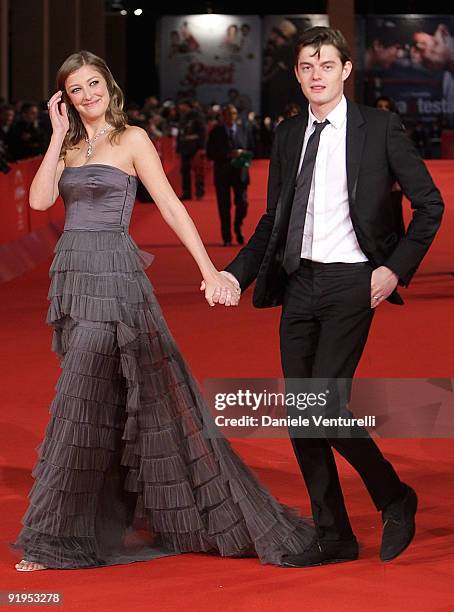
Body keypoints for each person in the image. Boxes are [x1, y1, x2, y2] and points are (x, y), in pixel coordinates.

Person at [11, 50, 315, 571]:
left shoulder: (132, 140)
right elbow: (40, 202)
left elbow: (172, 205)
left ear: (109, 85)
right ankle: (93, 522)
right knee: (108, 400)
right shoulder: (71, 145)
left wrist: (208, 270)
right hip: (75, 278)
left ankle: (51, 540)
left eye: (93, 84)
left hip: (115, 277)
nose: (87, 96)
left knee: (77, 399)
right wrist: (57, 134)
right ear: (64, 97)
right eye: (75, 89)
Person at [222, 27, 444, 567]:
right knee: (303, 415)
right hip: (300, 283)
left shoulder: (381, 129)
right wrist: (237, 273)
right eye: (305, 66)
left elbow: (429, 205)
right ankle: (335, 534)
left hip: (353, 281)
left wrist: (394, 270)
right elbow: (273, 219)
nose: (315, 74)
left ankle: (394, 496)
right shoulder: (288, 134)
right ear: (297, 75)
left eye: (326, 64)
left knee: (321, 406)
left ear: (346, 70)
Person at [206, 105, 254, 246]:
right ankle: (226, 237)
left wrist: (243, 154)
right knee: (224, 207)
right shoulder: (216, 132)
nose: (230, 116)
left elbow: (253, 148)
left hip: (241, 174)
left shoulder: (244, 130)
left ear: (236, 115)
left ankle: (237, 227)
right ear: (223, 116)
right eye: (227, 114)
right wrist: (228, 154)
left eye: (233, 113)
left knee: (242, 204)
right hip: (222, 174)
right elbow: (210, 153)